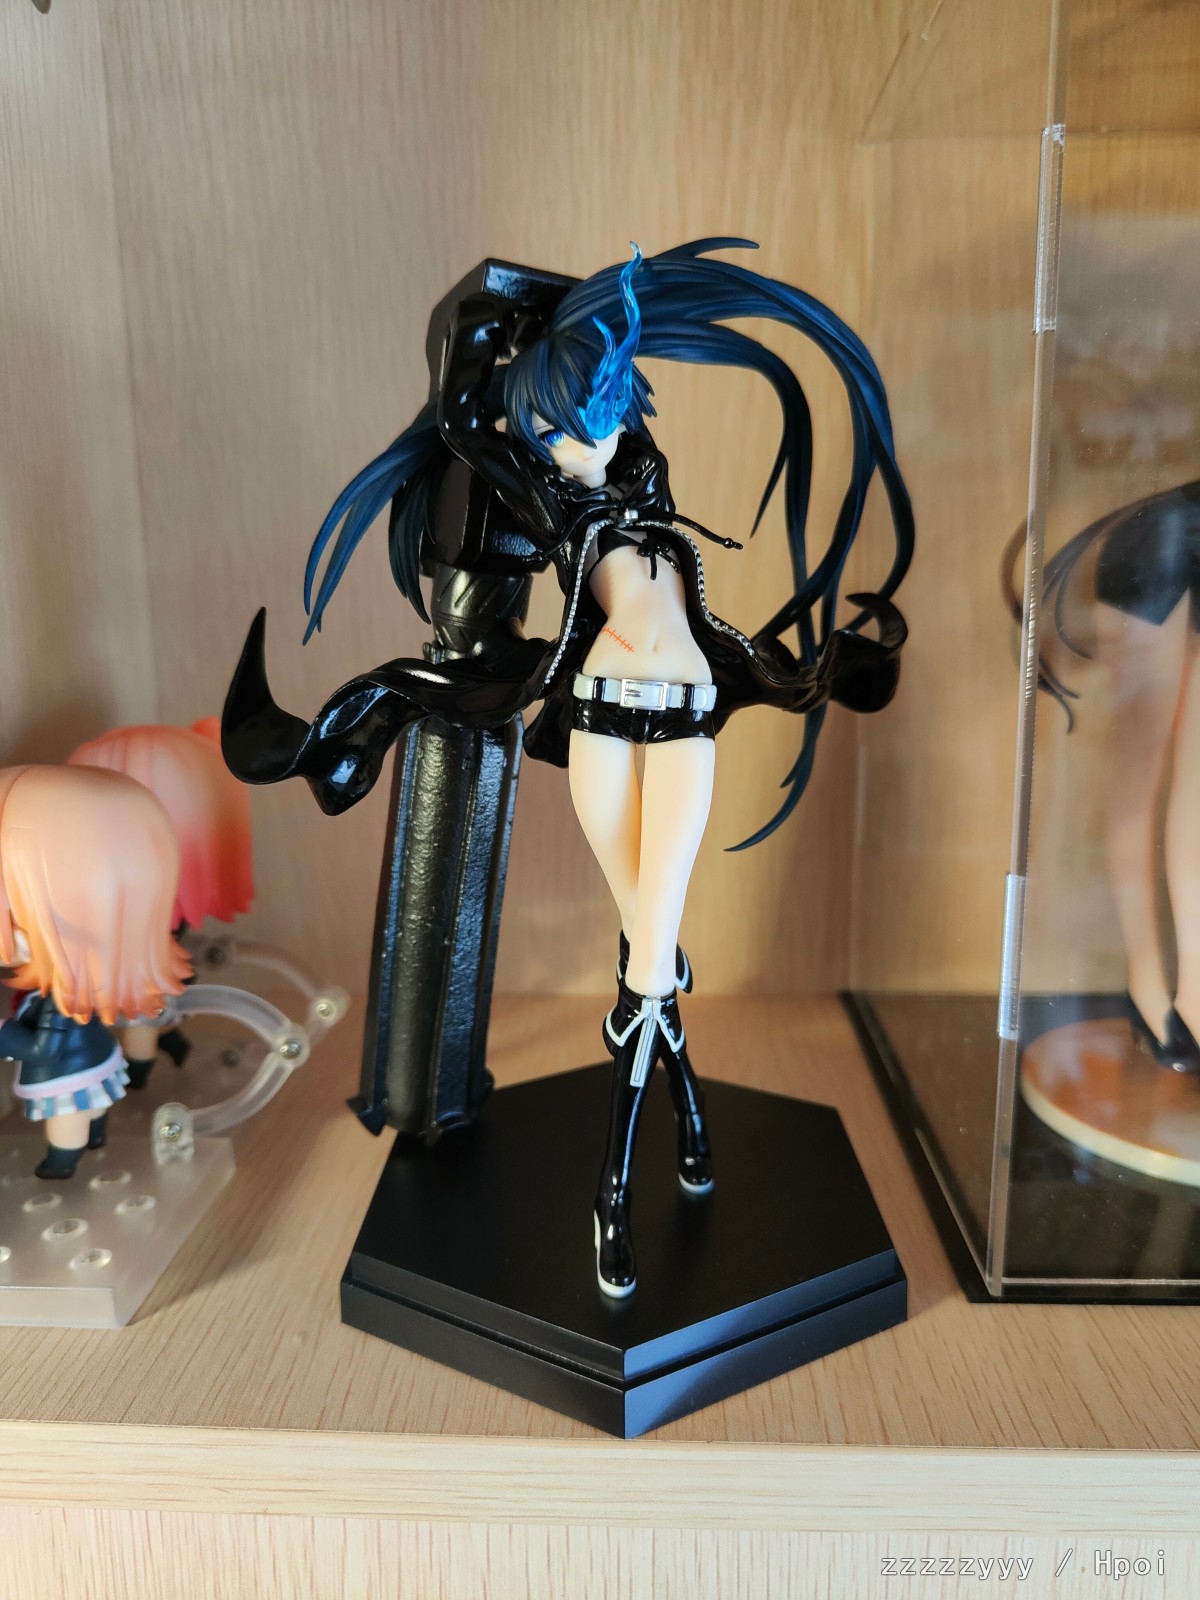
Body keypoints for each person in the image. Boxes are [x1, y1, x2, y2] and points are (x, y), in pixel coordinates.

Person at [224, 238, 913, 1294]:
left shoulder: (652, 492)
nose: (583, 440)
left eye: (599, 415)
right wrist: (477, 326)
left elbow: (619, 423)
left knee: (650, 952)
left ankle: (615, 1189)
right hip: (598, 724)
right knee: (652, 954)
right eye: (556, 428)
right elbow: (463, 423)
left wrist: (585, 336)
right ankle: (672, 1122)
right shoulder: (560, 507)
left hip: (685, 727)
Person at [1018, 480, 1200, 1071]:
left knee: (1192, 774)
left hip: (1169, 526)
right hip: (1161, 536)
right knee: (1139, 765)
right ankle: (1147, 982)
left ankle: (1193, 995)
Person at [0, 766, 191, 1178]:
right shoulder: (70, 986)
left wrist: (3, 1034)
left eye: (15, 916)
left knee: (67, 1123)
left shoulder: (64, 996)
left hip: (70, 1072)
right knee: (92, 1109)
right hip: (93, 1058)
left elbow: (44, 1050)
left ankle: (62, 1163)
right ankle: (96, 1135)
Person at [68, 718, 255, 1087]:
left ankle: (157, 1055)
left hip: (146, 974)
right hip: (136, 981)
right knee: (146, 1010)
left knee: (153, 1003)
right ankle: (145, 1065)